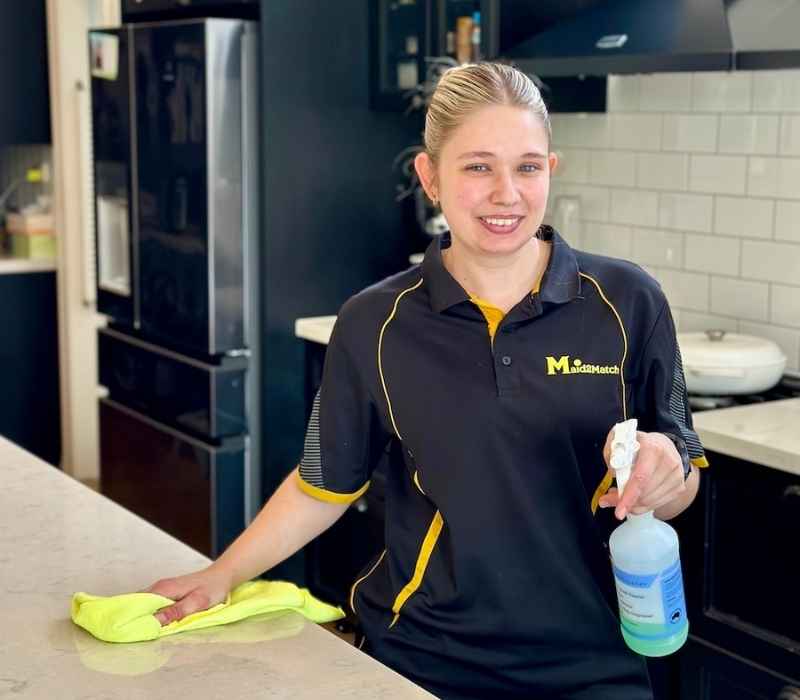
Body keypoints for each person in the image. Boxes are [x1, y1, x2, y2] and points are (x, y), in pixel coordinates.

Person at [145, 62, 707, 699]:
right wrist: (220, 576)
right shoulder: (374, 322)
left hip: (596, 663)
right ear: (430, 177)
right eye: (477, 167)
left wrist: (667, 472)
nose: (506, 193)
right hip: (422, 660)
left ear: (550, 170)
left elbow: (679, 474)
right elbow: (323, 483)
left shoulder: (628, 301)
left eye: (526, 167)